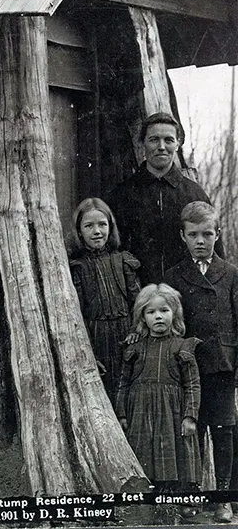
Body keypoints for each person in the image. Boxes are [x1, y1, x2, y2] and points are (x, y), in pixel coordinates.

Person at [164, 201, 238, 522]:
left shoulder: (232, 274)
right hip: (189, 369)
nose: (200, 240)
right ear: (182, 236)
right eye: (193, 234)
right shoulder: (174, 276)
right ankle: (192, 495)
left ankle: (222, 499)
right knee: (191, 431)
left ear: (217, 234)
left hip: (222, 365)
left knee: (223, 431)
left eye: (207, 234)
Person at [108, 112, 222, 285]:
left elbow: (215, 255)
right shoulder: (122, 195)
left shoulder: (195, 195)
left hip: (186, 295)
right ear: (142, 143)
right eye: (154, 139)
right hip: (138, 294)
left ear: (178, 144)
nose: (161, 146)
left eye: (168, 140)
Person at [115, 283, 201, 496]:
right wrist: (122, 414)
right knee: (143, 455)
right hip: (140, 415)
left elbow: (192, 384)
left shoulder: (183, 347)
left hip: (172, 414)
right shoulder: (134, 348)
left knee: (174, 454)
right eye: (151, 312)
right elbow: (123, 384)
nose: (158, 317)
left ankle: (179, 498)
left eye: (164, 310)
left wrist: (190, 417)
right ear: (142, 317)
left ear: (175, 313)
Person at [69, 198, 141, 403]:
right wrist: (89, 354)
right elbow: (77, 314)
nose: (97, 231)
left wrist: (136, 331)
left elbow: (138, 302)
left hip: (126, 336)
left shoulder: (123, 260)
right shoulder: (77, 267)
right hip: (97, 338)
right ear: (79, 231)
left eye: (102, 224)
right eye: (89, 226)